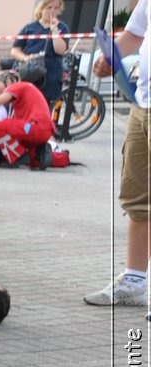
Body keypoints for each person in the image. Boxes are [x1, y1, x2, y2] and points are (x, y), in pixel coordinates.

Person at [84, 0, 150, 309]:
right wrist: (109, 57)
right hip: (143, 103)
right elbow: (135, 34)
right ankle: (135, 280)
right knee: (137, 196)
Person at [0, 68, 57, 168]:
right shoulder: (23, 94)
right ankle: (42, 154)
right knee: (32, 159)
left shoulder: (16, 86)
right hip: (39, 130)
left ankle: (18, 157)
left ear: (9, 81)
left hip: (35, 126)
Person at [10, 0, 71, 108]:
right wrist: (25, 58)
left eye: (56, 8)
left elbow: (60, 50)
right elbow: (15, 50)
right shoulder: (30, 28)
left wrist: (54, 31)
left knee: (43, 106)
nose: (52, 11)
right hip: (30, 71)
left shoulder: (62, 28)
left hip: (50, 73)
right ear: (41, 9)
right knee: (23, 104)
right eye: (49, 7)